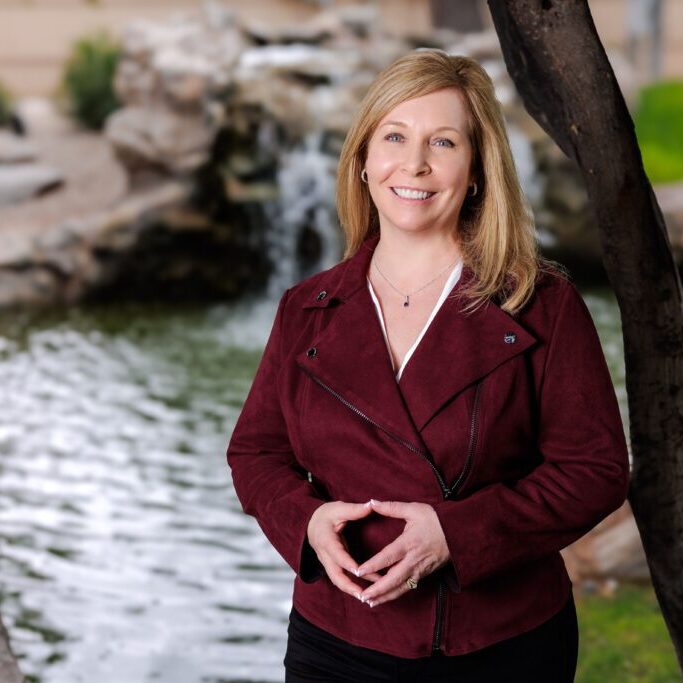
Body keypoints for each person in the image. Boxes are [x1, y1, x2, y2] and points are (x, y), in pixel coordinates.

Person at [226, 49, 630, 682]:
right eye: (394, 136)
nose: (413, 164)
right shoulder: (305, 308)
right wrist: (305, 520)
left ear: (476, 172)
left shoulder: (541, 304)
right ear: (362, 160)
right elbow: (255, 453)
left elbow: (595, 470)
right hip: (334, 642)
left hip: (498, 647)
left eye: (442, 142)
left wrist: (458, 534)